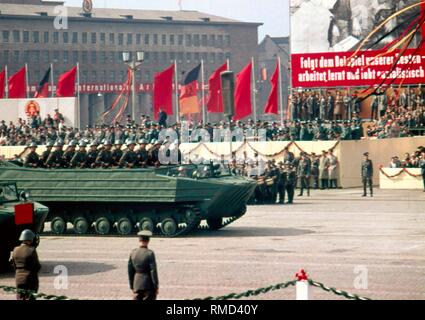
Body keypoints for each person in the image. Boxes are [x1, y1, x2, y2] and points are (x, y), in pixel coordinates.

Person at [128, 230, 159, 301]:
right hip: (148, 285)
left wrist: (132, 286)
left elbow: (130, 271)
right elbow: (153, 271)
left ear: (139, 240)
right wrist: (156, 286)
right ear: (148, 241)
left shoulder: (133, 253)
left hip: (136, 284)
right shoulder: (150, 253)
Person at [11, 229, 41, 300]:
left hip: (18, 279)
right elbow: (37, 266)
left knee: (20, 297)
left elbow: (14, 265)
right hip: (30, 279)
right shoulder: (32, 250)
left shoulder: (15, 249)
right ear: (30, 239)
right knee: (31, 298)